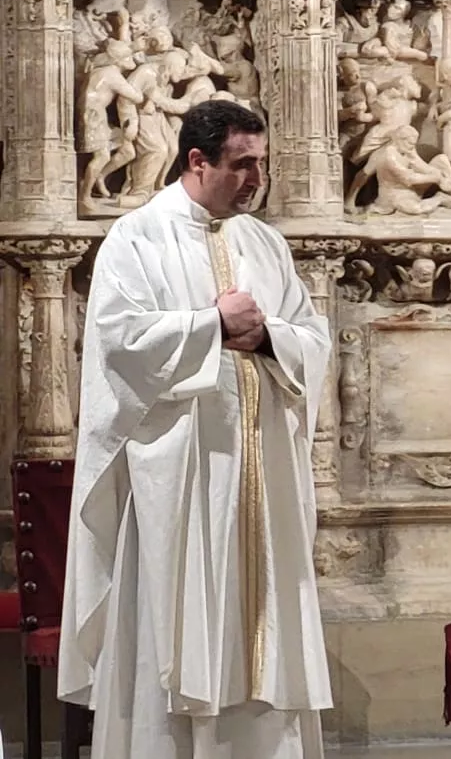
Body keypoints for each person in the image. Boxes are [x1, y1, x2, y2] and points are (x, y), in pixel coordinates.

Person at [62, 99, 333, 759]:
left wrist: (268, 334)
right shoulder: (137, 238)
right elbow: (118, 346)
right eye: (241, 165)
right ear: (197, 160)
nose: (254, 179)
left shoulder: (263, 243)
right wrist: (209, 323)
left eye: (260, 164)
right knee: (177, 631)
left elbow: (314, 337)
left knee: (264, 632)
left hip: (259, 481)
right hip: (179, 484)